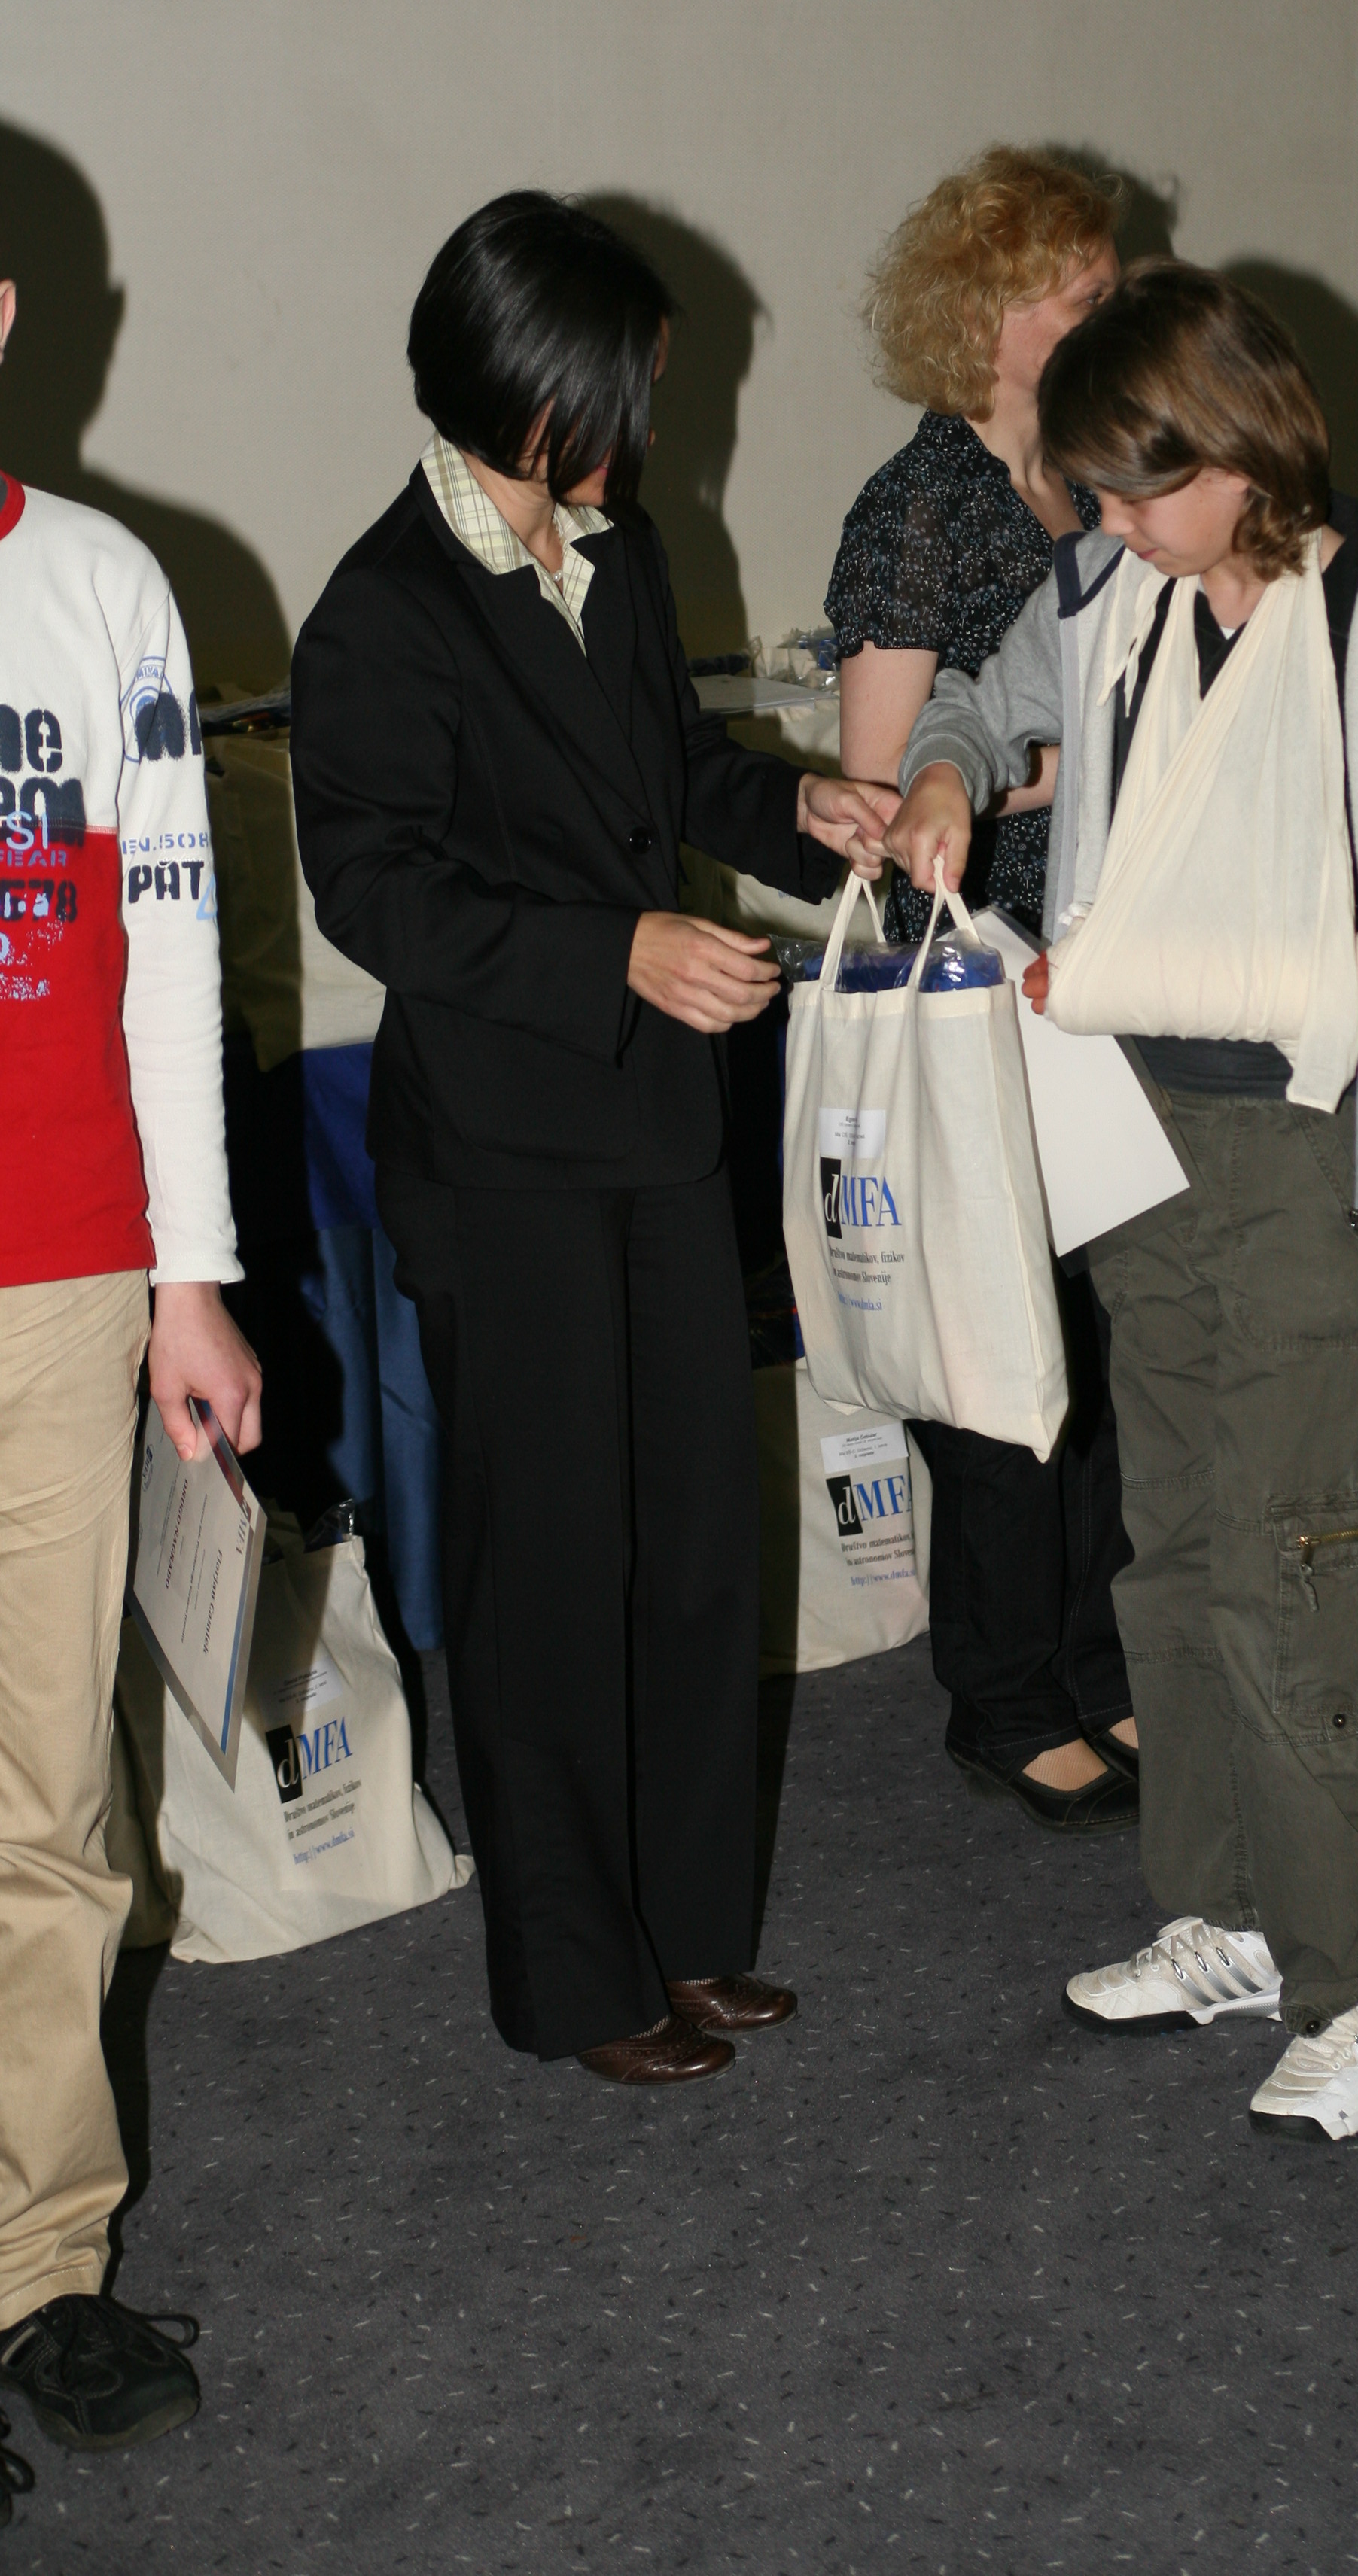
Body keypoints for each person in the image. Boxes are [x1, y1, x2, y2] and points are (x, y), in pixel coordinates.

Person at [888, 263, 1358, 2143]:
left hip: (1305, 1149)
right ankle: (1222, 1912)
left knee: (1300, 1565)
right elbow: (979, 698)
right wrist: (950, 773)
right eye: (1097, 494)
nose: (1110, 525)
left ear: (1239, 452)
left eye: (1139, 490)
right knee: (1177, 1546)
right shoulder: (1102, 590)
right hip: (1134, 1131)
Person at [290, 193, 894, 2087]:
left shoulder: (618, 555)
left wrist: (810, 812)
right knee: (548, 1579)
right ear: (529, 391)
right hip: (504, 1155)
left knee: (697, 1554)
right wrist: (613, 949)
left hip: (657, 1129)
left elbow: (675, 775)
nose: (652, 420)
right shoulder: (381, 609)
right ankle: (574, 1978)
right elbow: (374, 893)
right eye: (628, 387)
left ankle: (690, 1931)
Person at [0, 272, 260, 2501]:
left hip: (59, 1281)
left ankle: (38, 2263)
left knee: (47, 1801)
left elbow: (168, 947)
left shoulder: (99, 588)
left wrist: (194, 1280)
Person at [827, 148, 1137, 1836]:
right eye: (1077, 293)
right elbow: (881, 806)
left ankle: (1095, 1660)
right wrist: (1078, 762)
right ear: (986, 314)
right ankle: (1006, 1698)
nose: (1107, 312)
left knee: (1098, 1345)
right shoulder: (919, 507)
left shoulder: (1093, 479)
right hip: (972, 991)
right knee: (1006, 1359)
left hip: (1094, 975)